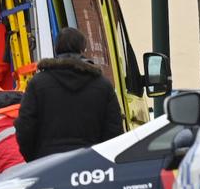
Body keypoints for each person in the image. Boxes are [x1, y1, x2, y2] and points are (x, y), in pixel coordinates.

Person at [15, 27, 124, 161]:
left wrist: (35, 159)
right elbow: (114, 130)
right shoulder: (102, 85)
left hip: (47, 164)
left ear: (56, 49)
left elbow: (25, 127)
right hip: (91, 165)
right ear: (82, 49)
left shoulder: (37, 83)